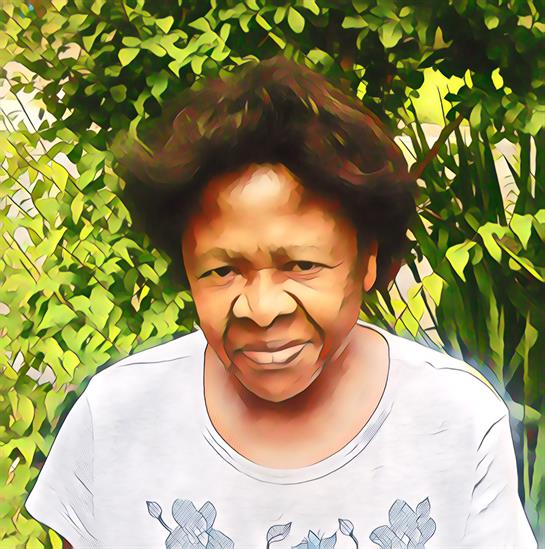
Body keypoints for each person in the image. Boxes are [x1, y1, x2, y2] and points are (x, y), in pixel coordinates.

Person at [24, 55, 537, 549]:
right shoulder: (116, 417)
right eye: (222, 271)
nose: (262, 309)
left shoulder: (456, 422)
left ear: (368, 260)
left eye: (302, 265)